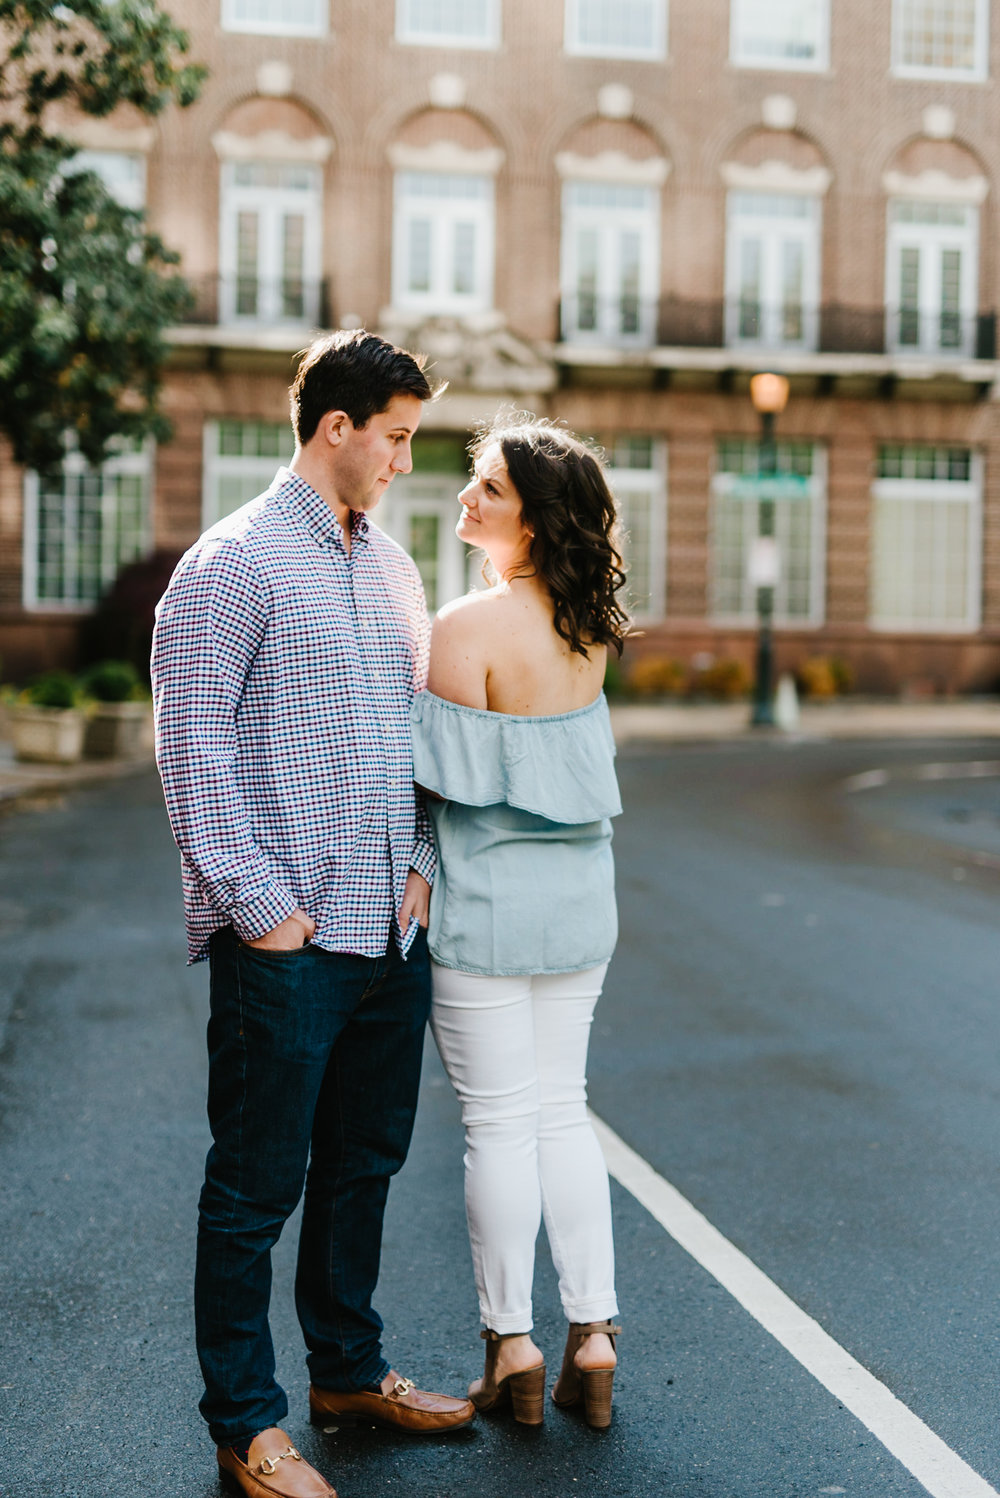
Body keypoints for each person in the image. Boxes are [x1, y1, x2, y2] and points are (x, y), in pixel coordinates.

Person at [151, 329, 475, 1498]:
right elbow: (190, 749)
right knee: (253, 1189)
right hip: (285, 940)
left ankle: (348, 1371)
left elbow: (422, 739)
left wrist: (425, 868)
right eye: (393, 437)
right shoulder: (229, 563)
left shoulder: (395, 569)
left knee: (363, 1166)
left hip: (390, 931)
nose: (403, 460)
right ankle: (248, 1425)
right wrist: (261, 909)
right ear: (333, 426)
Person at [409, 414, 630, 1431]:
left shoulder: (464, 629)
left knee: (497, 1125)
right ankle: (594, 1334)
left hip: (487, 913)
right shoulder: (587, 630)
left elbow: (427, 793)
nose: (466, 498)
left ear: (535, 522)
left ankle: (514, 1343)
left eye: (488, 488)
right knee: (561, 1112)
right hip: (579, 907)